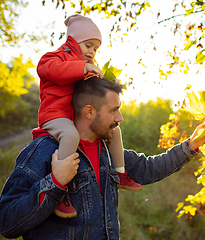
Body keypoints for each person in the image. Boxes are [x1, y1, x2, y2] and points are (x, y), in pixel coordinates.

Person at [0, 76, 205, 239]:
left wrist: (191, 146)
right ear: (89, 112)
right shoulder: (43, 150)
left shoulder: (107, 151)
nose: (120, 117)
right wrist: (55, 182)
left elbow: (149, 168)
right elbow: (6, 222)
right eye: (114, 110)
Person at [37, 14, 141, 218]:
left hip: (72, 115)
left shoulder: (87, 65)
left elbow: (92, 92)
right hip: (55, 114)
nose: (92, 52)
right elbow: (52, 71)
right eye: (88, 45)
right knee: (71, 135)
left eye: (96, 48)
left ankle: (119, 173)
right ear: (73, 41)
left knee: (115, 131)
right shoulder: (53, 58)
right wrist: (83, 68)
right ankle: (58, 189)